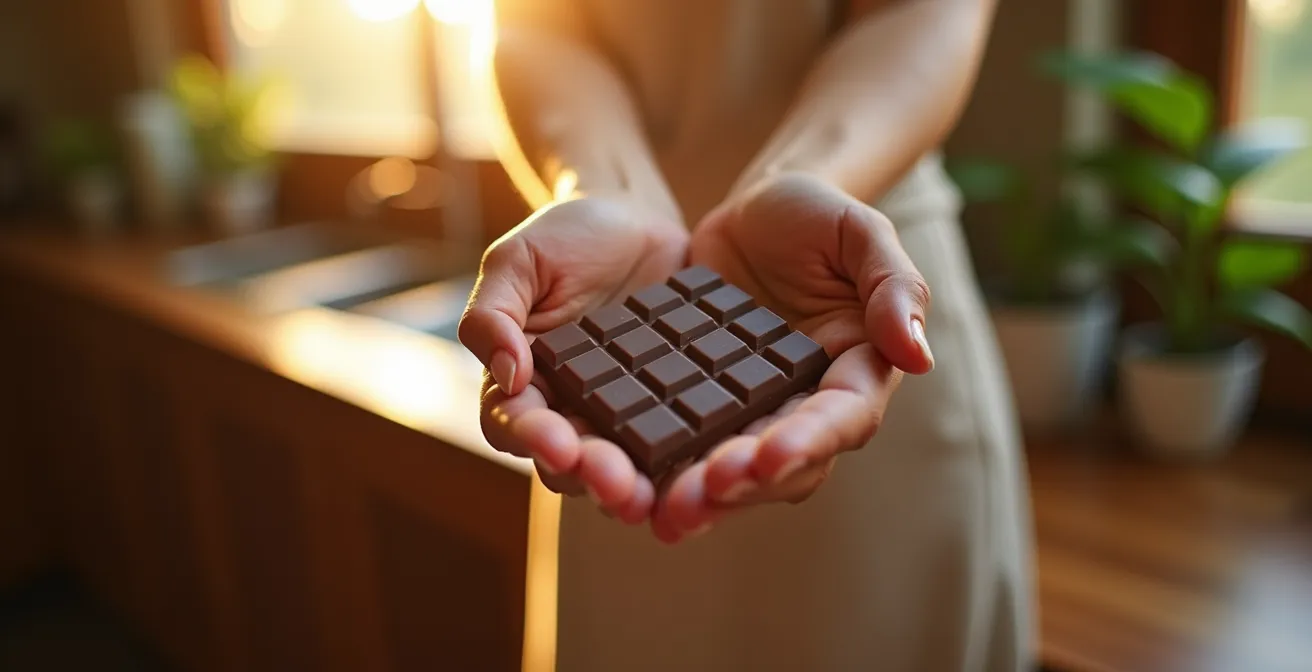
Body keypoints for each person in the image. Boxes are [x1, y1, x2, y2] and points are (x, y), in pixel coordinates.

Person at [458, 0, 1032, 669]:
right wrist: (610, 189)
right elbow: (536, 26)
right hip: (610, 308)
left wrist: (801, 180)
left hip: (836, 292)